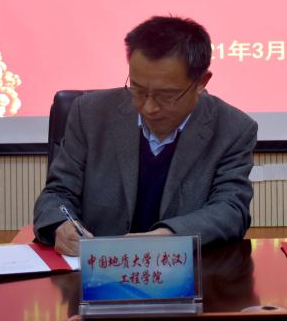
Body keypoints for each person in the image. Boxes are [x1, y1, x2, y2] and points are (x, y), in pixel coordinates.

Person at [34, 16, 258, 255]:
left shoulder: (232, 128)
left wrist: (168, 237)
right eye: (138, 90)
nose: (149, 107)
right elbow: (58, 193)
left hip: (181, 269)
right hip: (96, 268)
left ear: (201, 82)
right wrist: (61, 225)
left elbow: (230, 210)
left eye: (166, 96)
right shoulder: (89, 113)